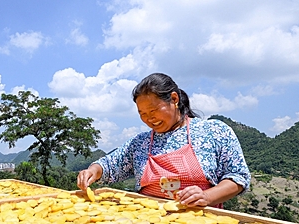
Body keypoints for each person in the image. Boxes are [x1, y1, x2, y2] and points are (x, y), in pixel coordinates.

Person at [77, 73, 250, 207]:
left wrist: (206, 196)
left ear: (174, 99)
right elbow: (109, 165)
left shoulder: (214, 132)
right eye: (142, 114)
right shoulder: (140, 143)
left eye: (153, 111)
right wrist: (93, 171)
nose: (149, 119)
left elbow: (238, 178)